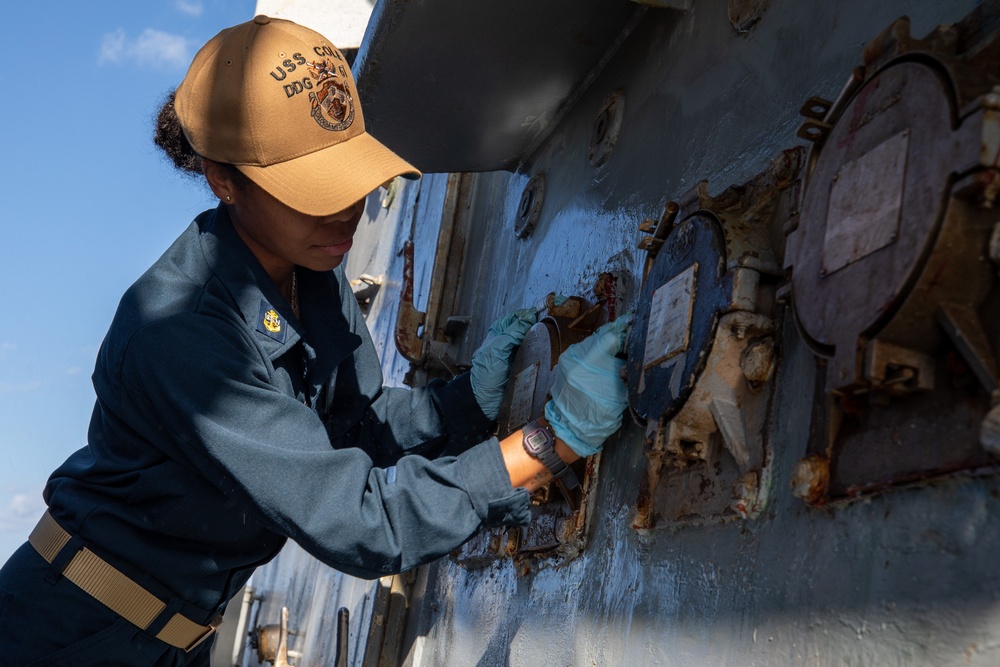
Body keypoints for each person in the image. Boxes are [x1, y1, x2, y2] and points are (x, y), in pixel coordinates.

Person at [0, 16, 630, 665]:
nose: (343, 210)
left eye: (348, 178)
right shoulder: (182, 329)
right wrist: (546, 444)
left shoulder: (308, 269)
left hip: (172, 634)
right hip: (64, 632)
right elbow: (357, 520)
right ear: (224, 180)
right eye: (310, 190)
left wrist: (463, 401)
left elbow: (353, 426)